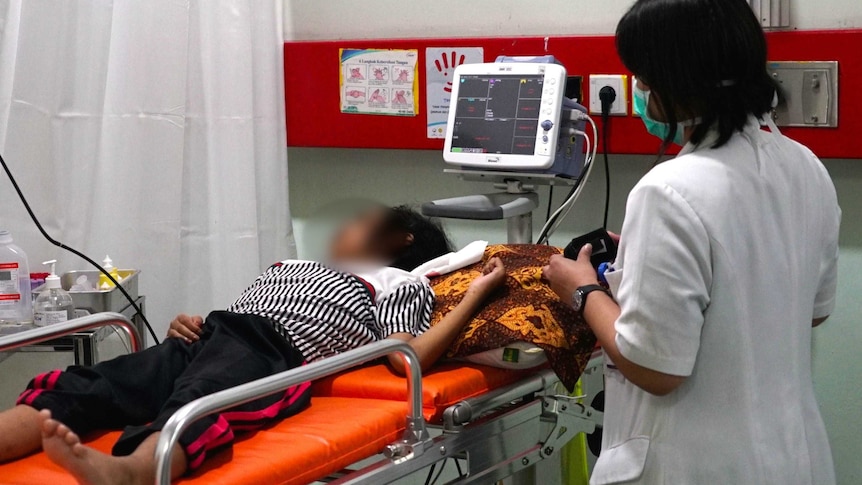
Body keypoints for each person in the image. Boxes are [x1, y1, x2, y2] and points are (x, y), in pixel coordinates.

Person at [543, 1, 840, 483]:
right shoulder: (805, 165)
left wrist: (583, 290)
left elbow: (654, 367)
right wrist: (648, 262)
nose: (639, 90)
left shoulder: (668, 190)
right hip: (792, 457)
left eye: (643, 77)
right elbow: (812, 308)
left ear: (673, 80)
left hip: (698, 465)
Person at [0, 205, 508, 485]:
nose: (343, 227)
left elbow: (410, 357)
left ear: (400, 240)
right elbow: (243, 312)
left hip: (275, 352)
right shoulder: (295, 266)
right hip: (217, 332)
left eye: (359, 222)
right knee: (97, 382)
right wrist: (187, 324)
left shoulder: (398, 281)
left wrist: (476, 294)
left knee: (199, 399)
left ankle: (134, 472)